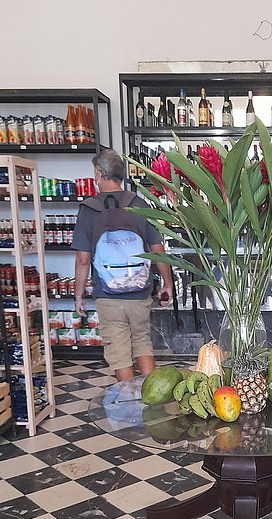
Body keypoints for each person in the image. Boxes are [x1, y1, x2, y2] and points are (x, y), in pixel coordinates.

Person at [72, 149, 173, 381]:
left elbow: (82, 259)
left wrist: (79, 296)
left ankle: (129, 407)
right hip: (139, 291)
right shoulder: (138, 203)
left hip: (107, 294)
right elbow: (158, 250)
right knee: (142, 342)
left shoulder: (89, 209)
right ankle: (151, 401)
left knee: (119, 353)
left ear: (99, 173)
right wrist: (167, 284)